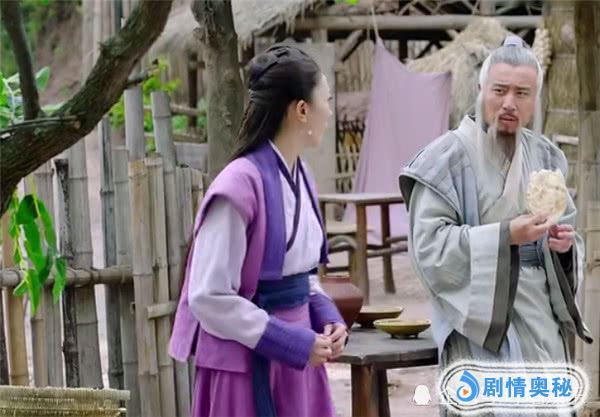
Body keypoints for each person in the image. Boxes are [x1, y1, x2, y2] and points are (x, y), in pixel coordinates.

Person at [398, 36, 593, 416]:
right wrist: (505, 236)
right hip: (479, 322)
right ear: (480, 90)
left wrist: (564, 248)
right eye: (500, 90)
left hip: (539, 320)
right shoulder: (445, 159)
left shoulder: (544, 156)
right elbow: (429, 247)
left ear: (535, 99)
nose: (509, 103)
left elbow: (566, 228)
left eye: (522, 93)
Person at [169, 44, 347, 417]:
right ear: (302, 110)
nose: (330, 111)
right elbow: (208, 296)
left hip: (299, 359)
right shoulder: (238, 185)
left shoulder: (302, 175)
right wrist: (286, 340)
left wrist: (327, 316)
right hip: (247, 367)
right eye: (327, 101)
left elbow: (301, 273)